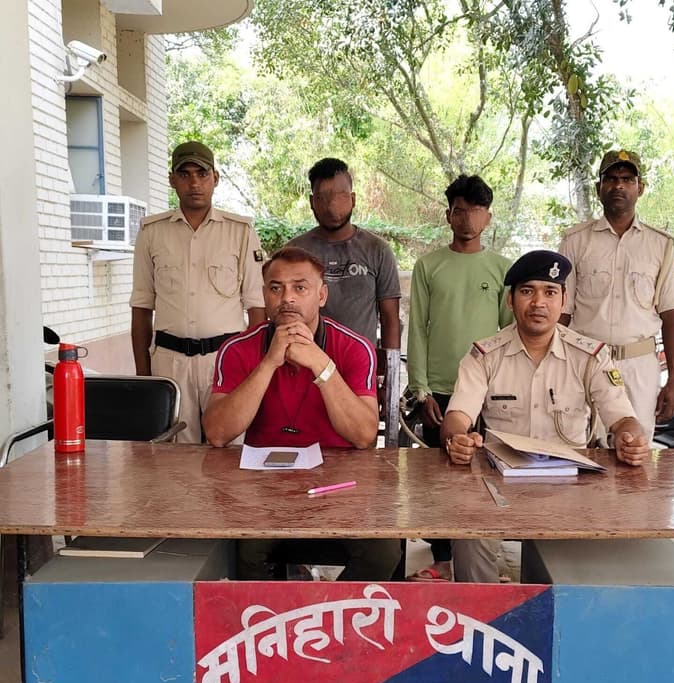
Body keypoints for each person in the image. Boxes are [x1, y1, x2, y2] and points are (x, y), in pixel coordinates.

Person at [440, 250, 650, 583]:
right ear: (510, 301)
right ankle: (483, 611)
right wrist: (457, 439)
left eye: (550, 292)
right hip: (500, 483)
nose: (538, 302)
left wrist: (630, 439)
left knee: (597, 553)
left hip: (572, 486)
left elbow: (624, 419)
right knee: (469, 534)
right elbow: (457, 416)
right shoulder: (484, 355)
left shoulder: (590, 356)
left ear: (563, 300)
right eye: (527, 291)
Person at [203, 246, 401, 581]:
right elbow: (217, 434)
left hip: (338, 487)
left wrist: (321, 365)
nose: (287, 299)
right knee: (238, 549)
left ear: (321, 295)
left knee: (383, 552)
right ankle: (270, 611)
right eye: (276, 288)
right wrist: (269, 362)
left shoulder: (355, 347)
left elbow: (364, 436)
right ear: (264, 294)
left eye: (300, 288)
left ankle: (329, 608)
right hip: (262, 488)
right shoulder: (237, 348)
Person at [406, 174, 513, 582]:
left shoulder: (502, 269)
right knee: (440, 475)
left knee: (485, 471)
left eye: (476, 210)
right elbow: (418, 329)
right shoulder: (428, 266)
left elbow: (507, 333)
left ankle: (483, 556)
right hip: (439, 390)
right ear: (449, 214)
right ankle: (443, 558)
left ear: (488, 218)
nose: (467, 218)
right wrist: (420, 389)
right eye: (460, 209)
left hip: (487, 391)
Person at [130, 141, 266, 443]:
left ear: (215, 178)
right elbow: (141, 308)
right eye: (185, 174)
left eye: (202, 174)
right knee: (173, 454)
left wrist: (254, 367)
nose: (194, 183)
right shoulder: (152, 232)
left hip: (226, 359)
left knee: (231, 444)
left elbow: (257, 308)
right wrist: (144, 377)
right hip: (170, 362)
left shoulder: (240, 231)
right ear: (172, 180)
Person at [558, 149, 674, 442]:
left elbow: (671, 313)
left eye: (628, 179)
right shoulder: (575, 241)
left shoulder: (661, 245)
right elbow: (561, 311)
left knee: (634, 450)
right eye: (611, 179)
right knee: (581, 446)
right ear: (598, 187)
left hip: (639, 368)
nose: (619, 186)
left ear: (640, 188)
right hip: (585, 362)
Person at [285, 158, 401, 350]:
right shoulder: (294, 252)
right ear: (312, 202)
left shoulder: (377, 250)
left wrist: (392, 364)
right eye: (323, 197)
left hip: (361, 362)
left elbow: (390, 318)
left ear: (353, 199)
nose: (332, 205)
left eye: (341, 196)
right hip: (305, 360)